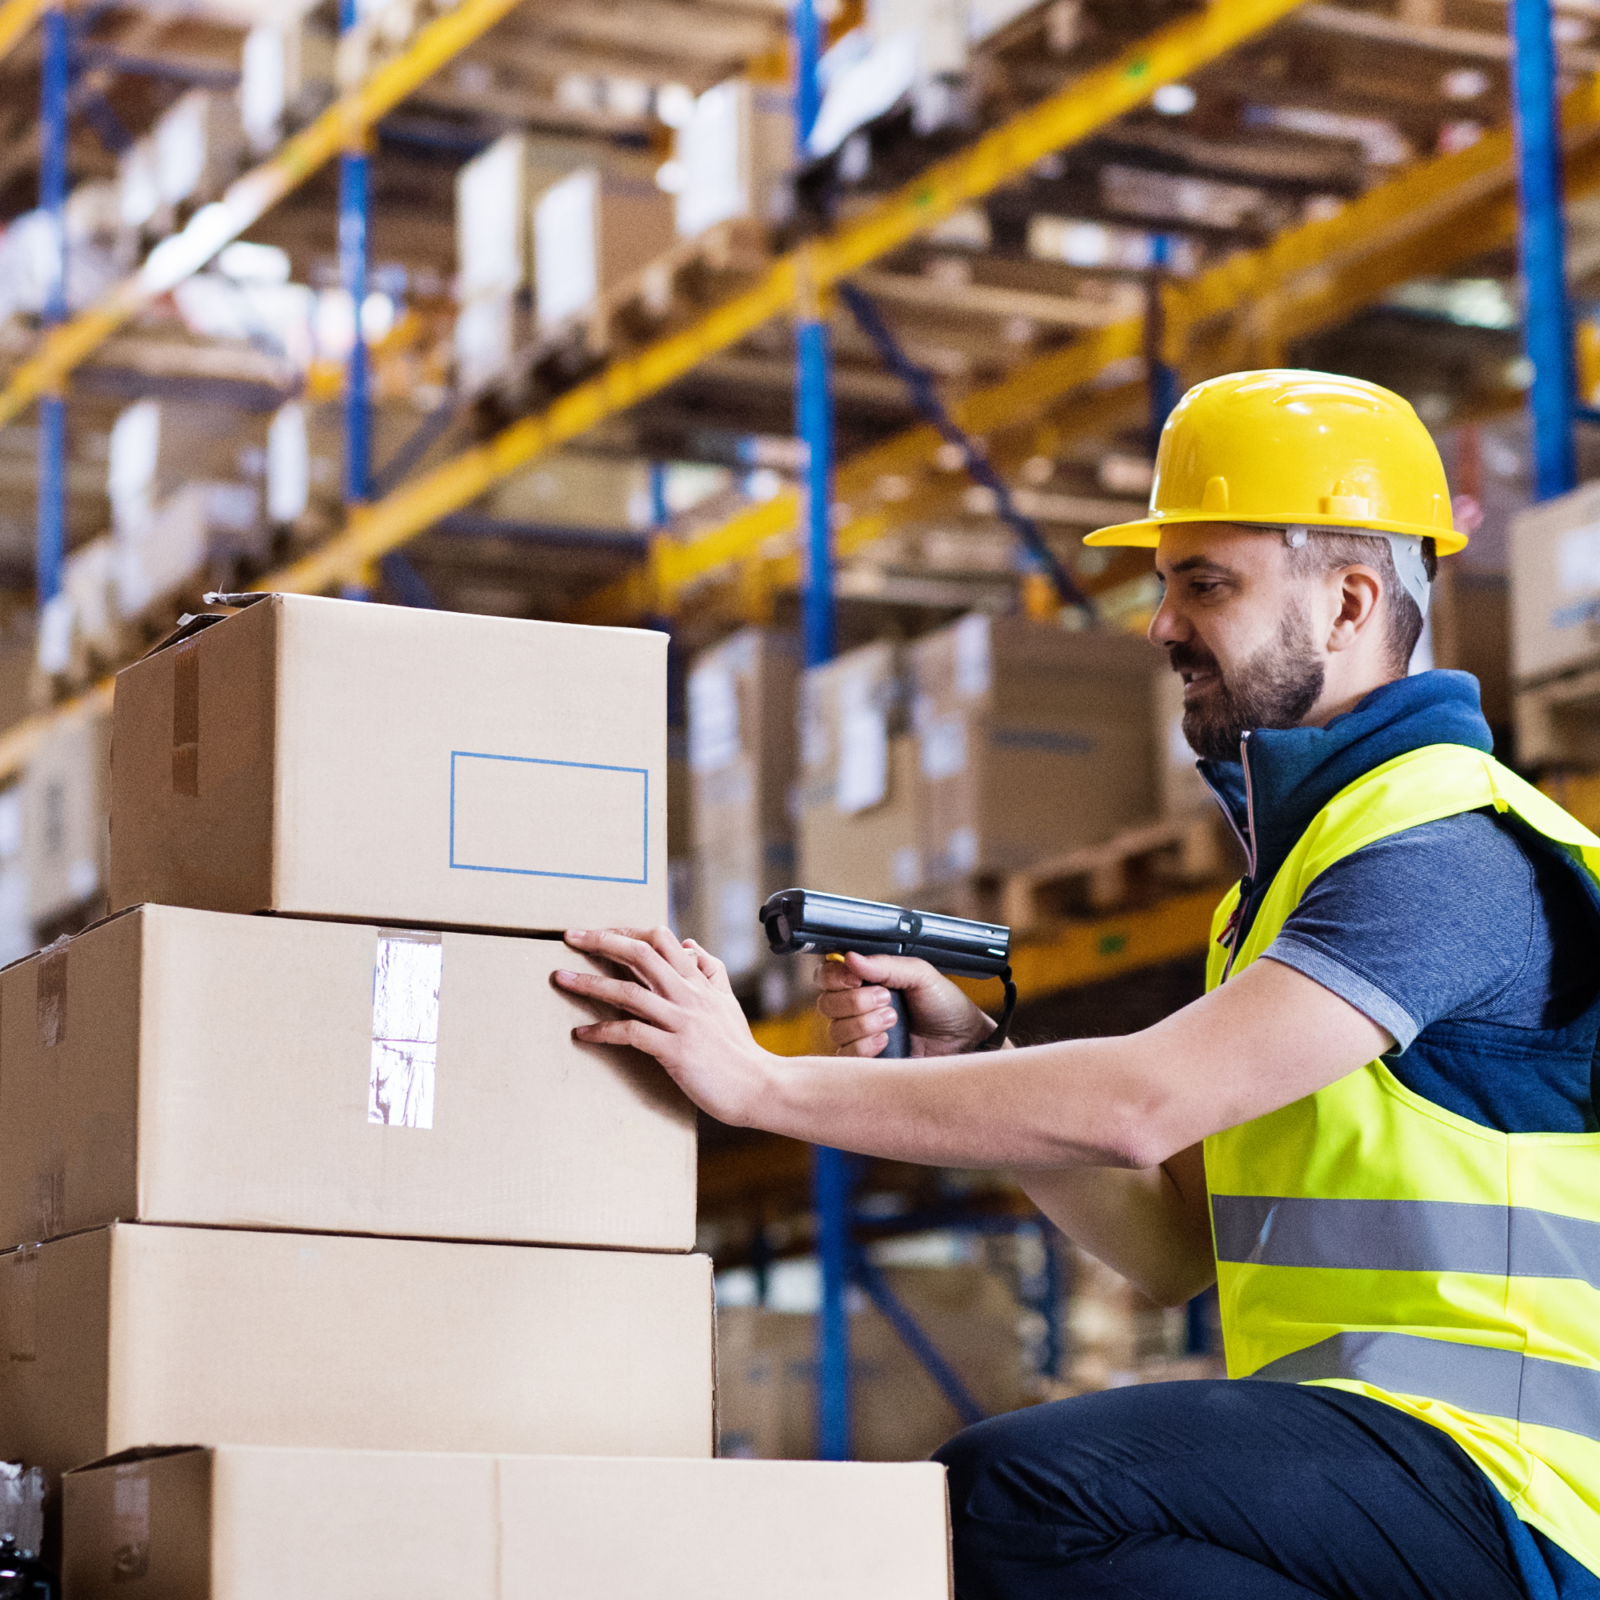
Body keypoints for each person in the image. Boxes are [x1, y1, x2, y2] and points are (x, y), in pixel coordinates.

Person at [553, 370, 1600, 1600]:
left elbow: (1139, 1103)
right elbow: (1166, 1246)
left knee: (1027, 1496)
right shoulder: (1290, 885)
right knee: (1031, 1518)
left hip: (1517, 1495)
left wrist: (759, 1084)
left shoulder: (1443, 855)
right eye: (1164, 585)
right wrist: (967, 1064)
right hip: (1393, 1480)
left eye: (1204, 582)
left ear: (1348, 601)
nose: (1160, 624)